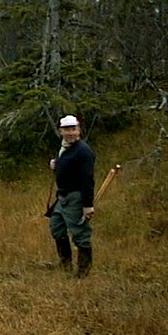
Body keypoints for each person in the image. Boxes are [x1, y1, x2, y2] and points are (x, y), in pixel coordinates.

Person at [48, 114, 95, 278]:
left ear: (79, 130)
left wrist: (87, 205)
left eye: (73, 129)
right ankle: (65, 262)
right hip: (62, 196)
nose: (70, 133)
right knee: (56, 228)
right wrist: (56, 164)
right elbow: (67, 166)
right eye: (66, 130)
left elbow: (87, 180)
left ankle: (83, 272)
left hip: (76, 197)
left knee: (80, 234)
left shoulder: (83, 151)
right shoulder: (64, 147)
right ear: (61, 131)